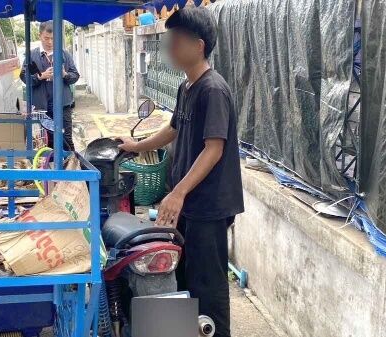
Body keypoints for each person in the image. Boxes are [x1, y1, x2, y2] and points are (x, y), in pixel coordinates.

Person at [119, 6, 244, 337]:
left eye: (176, 40)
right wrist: (135, 145)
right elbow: (172, 129)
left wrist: (178, 192)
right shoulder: (186, 87)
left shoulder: (213, 89)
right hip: (189, 201)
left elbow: (214, 149)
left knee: (209, 285)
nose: (170, 47)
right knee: (183, 275)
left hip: (209, 205)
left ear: (198, 45)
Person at [20, 20, 80, 151]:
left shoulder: (64, 55)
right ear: (39, 35)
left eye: (53, 39)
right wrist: (40, 76)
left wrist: (65, 74)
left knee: (66, 139)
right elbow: (24, 77)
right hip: (40, 108)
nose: (50, 42)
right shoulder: (32, 56)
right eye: (46, 38)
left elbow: (75, 75)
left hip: (62, 106)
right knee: (41, 141)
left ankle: (68, 168)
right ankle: (45, 169)